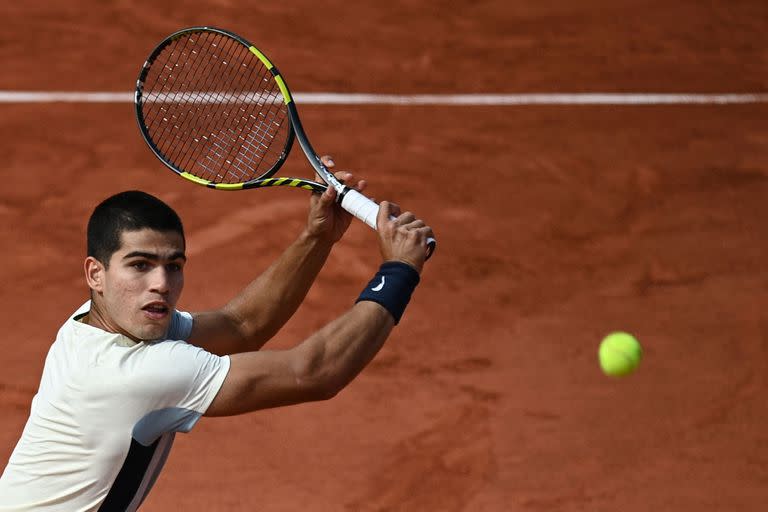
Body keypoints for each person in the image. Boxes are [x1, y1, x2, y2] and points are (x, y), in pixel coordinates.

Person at [0, 159, 433, 511]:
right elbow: (315, 372)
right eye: (140, 265)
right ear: (96, 273)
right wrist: (398, 270)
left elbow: (241, 326)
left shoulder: (94, 322)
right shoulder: (138, 372)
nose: (161, 283)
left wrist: (317, 236)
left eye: (174, 265)